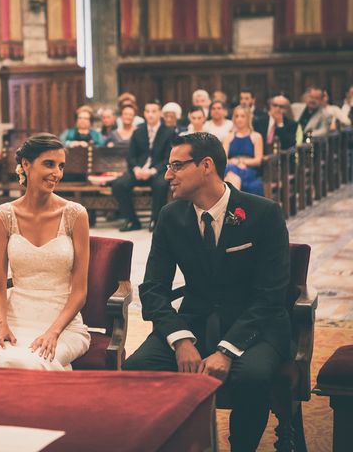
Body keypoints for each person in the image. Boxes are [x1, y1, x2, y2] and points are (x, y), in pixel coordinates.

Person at [123, 132, 291, 452]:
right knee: (136, 368)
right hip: (195, 321)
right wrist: (180, 338)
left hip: (255, 327)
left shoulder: (264, 214)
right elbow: (153, 288)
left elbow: (270, 296)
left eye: (176, 166)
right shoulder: (170, 216)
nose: (167, 174)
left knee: (251, 377)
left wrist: (227, 350)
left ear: (206, 166)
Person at [0, 133, 91, 370]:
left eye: (61, 166)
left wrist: (54, 332)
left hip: (63, 322)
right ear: (26, 165)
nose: (57, 173)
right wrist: (1, 326)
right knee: (3, 358)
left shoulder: (75, 215)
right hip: (15, 318)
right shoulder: (3, 216)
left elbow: (80, 291)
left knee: (35, 362)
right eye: (49, 164)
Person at [111, 100, 174, 232]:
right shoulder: (138, 131)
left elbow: (168, 158)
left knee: (161, 185)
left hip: (158, 170)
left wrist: (153, 170)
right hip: (139, 170)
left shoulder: (168, 132)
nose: (150, 114)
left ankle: (155, 220)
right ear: (144, 114)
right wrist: (136, 169)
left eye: (154, 111)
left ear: (160, 113)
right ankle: (132, 220)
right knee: (118, 185)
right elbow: (131, 156)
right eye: (147, 111)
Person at [223, 105, 264, 196]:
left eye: (242, 116)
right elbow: (223, 159)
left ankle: (232, 204)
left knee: (230, 173)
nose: (239, 119)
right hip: (231, 167)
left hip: (248, 169)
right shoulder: (228, 137)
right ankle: (234, 203)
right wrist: (236, 163)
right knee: (230, 170)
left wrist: (241, 162)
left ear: (248, 118)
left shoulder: (256, 136)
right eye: (237, 116)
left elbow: (258, 160)